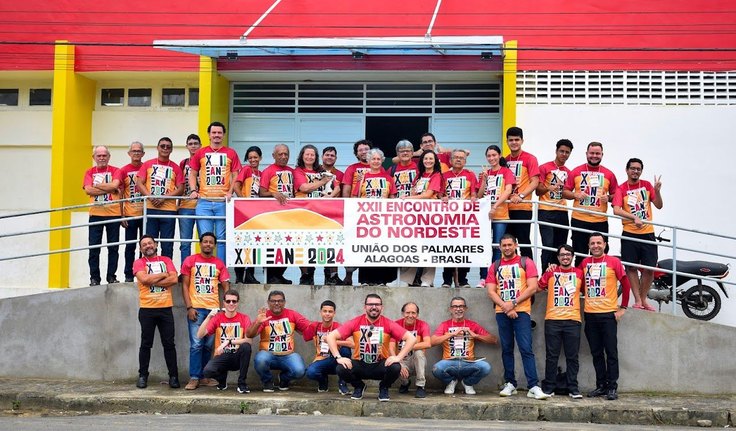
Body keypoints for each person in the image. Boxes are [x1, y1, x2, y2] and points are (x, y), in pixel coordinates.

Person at [486, 234, 549, 399]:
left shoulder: (526, 262)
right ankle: (510, 383)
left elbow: (532, 287)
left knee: (526, 348)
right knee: (507, 349)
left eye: (509, 245)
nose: (506, 248)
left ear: (516, 245)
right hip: (502, 312)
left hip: (522, 312)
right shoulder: (495, 265)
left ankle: (533, 386)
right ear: (499, 247)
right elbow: (491, 291)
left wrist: (512, 303)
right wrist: (506, 307)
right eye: (504, 245)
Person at [325, 293, 416, 402]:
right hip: (360, 363)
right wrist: (338, 357)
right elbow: (330, 337)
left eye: (377, 304)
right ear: (365, 307)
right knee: (340, 368)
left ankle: (384, 387)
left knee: (396, 367)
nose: (374, 307)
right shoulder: (356, 322)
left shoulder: (388, 323)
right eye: (370, 304)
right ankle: (359, 386)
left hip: (380, 364)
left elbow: (411, 338)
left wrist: (398, 357)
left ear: (382, 307)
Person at [580, 232, 631, 400]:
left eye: (599, 243)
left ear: (604, 244)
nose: (595, 246)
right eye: (592, 243)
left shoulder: (613, 261)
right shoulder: (585, 263)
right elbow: (577, 281)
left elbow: (625, 283)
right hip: (590, 314)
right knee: (596, 353)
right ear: (588, 246)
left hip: (608, 314)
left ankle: (612, 387)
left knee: (611, 352)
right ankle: (600, 385)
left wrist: (623, 307)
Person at [180, 232, 230, 390]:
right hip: (196, 309)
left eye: (211, 242)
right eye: (205, 242)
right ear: (200, 243)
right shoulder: (190, 260)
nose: (208, 244)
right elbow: (184, 285)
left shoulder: (219, 263)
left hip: (214, 311)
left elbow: (226, 285)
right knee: (196, 344)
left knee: (208, 346)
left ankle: (203, 377)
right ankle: (194, 377)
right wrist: (189, 307)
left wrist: (224, 307)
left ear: (214, 246)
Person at [613, 158, 664, 311]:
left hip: (648, 233)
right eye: (633, 168)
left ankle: (643, 299)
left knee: (650, 269)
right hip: (629, 233)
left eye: (638, 169)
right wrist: (634, 217)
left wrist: (658, 191)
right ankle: (637, 300)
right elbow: (616, 209)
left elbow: (659, 206)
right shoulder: (621, 188)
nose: (635, 171)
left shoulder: (647, 185)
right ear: (627, 170)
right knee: (631, 268)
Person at [387, 149, 442, 288]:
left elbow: (428, 195)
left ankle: (427, 280)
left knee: (429, 248)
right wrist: (411, 195)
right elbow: (414, 191)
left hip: (430, 216)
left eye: (431, 158)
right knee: (412, 246)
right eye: (425, 159)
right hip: (416, 217)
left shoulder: (436, 175)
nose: (428, 161)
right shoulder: (419, 176)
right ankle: (405, 279)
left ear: (435, 161)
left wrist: (407, 197)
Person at [536, 244, 584, 398]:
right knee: (551, 356)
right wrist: (546, 272)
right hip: (553, 320)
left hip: (573, 320)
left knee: (572, 356)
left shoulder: (579, 273)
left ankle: (573, 388)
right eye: (562, 254)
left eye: (568, 254)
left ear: (572, 256)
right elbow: (537, 287)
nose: (565, 257)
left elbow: (586, 291)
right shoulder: (551, 273)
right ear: (558, 257)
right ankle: (549, 387)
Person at [188, 121, 241, 260]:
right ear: (209, 135)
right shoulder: (200, 152)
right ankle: (207, 268)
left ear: (223, 135)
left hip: (223, 202)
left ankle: (221, 270)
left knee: (222, 238)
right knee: (205, 238)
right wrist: (194, 190)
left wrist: (231, 191)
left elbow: (236, 174)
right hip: (204, 202)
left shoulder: (231, 153)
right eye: (214, 133)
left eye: (219, 133)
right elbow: (192, 173)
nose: (216, 135)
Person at [132, 235, 179, 389]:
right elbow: (144, 280)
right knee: (146, 344)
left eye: (150, 243)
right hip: (147, 309)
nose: (147, 246)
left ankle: (173, 376)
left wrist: (154, 279)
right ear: (140, 248)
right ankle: (143, 376)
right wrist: (164, 275)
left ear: (156, 244)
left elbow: (174, 280)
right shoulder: (138, 262)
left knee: (169, 344)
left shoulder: (166, 260)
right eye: (144, 245)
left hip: (165, 308)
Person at [563, 142, 618, 266]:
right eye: (592, 153)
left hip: (600, 221)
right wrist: (575, 195)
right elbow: (564, 192)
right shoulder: (576, 171)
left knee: (601, 255)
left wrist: (608, 197)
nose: (594, 156)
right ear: (586, 154)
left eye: (597, 153)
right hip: (579, 220)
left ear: (602, 155)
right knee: (580, 255)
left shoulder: (609, 174)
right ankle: (581, 285)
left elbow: (617, 196)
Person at [245, 290, 310, 392]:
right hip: (268, 354)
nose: (276, 303)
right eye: (273, 301)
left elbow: (309, 327)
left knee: (299, 371)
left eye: (280, 301)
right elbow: (249, 334)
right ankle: (267, 381)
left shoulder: (292, 314)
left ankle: (284, 379)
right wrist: (258, 322)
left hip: (288, 355)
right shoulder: (264, 316)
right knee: (260, 360)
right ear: (268, 302)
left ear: (284, 302)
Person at [430, 296, 497, 395]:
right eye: (455, 306)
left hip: (468, 363)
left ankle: (468, 383)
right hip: (449, 362)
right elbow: (432, 342)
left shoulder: (472, 325)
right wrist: (451, 334)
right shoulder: (444, 325)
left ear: (465, 309)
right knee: (436, 369)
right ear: (451, 309)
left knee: (486, 367)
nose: (458, 309)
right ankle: (451, 381)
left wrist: (476, 335)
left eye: (461, 306)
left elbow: (493, 340)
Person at [294, 144, 340, 285]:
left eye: (312, 155)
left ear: (316, 157)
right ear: (302, 156)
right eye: (307, 154)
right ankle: (306, 275)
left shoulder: (322, 170)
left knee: (329, 243)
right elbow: (304, 188)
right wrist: (322, 182)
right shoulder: (298, 171)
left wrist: (331, 196)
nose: (309, 157)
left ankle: (331, 275)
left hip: (323, 213)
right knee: (303, 244)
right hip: (304, 213)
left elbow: (337, 186)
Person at [353, 148, 398, 286]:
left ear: (382, 161)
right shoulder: (362, 178)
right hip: (366, 220)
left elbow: (392, 197)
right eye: (373, 159)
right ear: (368, 160)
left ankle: (382, 280)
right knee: (367, 248)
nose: (376, 161)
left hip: (384, 220)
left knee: (382, 248)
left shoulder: (388, 178)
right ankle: (366, 280)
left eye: (379, 159)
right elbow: (354, 197)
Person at [135, 137, 185, 259]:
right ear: (157, 148)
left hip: (168, 211)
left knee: (167, 244)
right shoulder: (147, 164)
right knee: (148, 244)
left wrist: (164, 198)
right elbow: (139, 183)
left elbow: (180, 188)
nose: (165, 148)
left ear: (171, 149)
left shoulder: (175, 167)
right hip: (150, 209)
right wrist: (150, 196)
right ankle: (149, 271)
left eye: (168, 146)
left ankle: (167, 272)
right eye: (162, 146)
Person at [197, 289, 253, 394]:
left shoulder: (244, 318)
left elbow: (249, 341)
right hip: (222, 356)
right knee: (207, 371)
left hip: (237, 355)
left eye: (234, 301)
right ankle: (222, 379)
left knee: (246, 347)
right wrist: (209, 317)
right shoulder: (218, 318)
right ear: (224, 303)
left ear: (237, 303)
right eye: (228, 301)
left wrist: (228, 342)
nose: (231, 303)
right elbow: (200, 335)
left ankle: (242, 383)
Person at [476, 145, 515, 287]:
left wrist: (495, 206)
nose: (491, 158)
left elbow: (508, 191)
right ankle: (483, 278)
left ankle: (495, 277)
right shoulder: (485, 173)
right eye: (489, 156)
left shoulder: (506, 172)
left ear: (499, 156)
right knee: (484, 246)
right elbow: (480, 196)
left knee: (498, 247)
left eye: (494, 155)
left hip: (500, 215)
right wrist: (484, 181)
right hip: (485, 217)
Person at [83, 145, 121, 286]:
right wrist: (108, 186)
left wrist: (96, 186)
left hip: (113, 214)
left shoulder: (116, 170)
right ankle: (94, 278)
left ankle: (111, 276)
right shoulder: (89, 172)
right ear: (94, 157)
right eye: (99, 155)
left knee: (113, 248)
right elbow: (88, 190)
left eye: (104, 155)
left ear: (109, 157)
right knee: (94, 248)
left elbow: (115, 186)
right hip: (95, 215)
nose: (102, 158)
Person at [440, 149, 478, 288]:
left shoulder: (470, 175)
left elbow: (474, 193)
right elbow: (439, 194)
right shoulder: (444, 175)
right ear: (450, 160)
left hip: (465, 218)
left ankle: (463, 279)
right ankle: (447, 280)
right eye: (455, 157)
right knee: (448, 249)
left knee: (464, 249)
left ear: (465, 161)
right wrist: (442, 197)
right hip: (448, 219)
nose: (458, 160)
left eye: (461, 158)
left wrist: (474, 197)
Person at [259, 144, 295, 284]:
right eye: (280, 154)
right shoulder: (268, 170)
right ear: (273, 155)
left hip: (290, 215)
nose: (283, 157)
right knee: (274, 245)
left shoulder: (292, 171)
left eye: (286, 154)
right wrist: (273, 193)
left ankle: (279, 275)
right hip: (273, 215)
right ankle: (272, 275)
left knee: (288, 246)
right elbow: (261, 192)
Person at [341, 139, 375, 285]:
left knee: (370, 246)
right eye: (360, 150)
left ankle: (367, 279)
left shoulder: (378, 167)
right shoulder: (352, 168)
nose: (364, 152)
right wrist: (347, 208)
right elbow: (347, 189)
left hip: (374, 214)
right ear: (356, 153)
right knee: (353, 245)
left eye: (366, 149)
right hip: (355, 212)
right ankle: (348, 274)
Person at [536, 139, 573, 271]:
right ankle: (545, 275)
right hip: (545, 210)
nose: (564, 154)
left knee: (561, 245)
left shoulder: (569, 171)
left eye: (567, 152)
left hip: (562, 211)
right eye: (561, 151)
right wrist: (548, 188)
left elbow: (569, 192)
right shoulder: (545, 167)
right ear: (556, 151)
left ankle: (558, 273)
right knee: (548, 244)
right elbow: (537, 190)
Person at [504, 127, 540, 260]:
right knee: (507, 244)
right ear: (507, 141)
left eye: (517, 140)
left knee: (524, 242)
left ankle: (529, 272)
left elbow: (535, 182)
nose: (514, 142)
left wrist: (521, 196)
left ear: (522, 141)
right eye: (511, 140)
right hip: (506, 209)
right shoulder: (504, 160)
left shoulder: (530, 158)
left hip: (522, 207)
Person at [303, 300, 353, 394]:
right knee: (310, 372)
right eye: (325, 311)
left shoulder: (338, 327)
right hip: (322, 359)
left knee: (346, 350)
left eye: (330, 312)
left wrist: (333, 341)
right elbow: (303, 334)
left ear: (334, 313)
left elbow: (352, 344)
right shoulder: (315, 326)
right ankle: (323, 382)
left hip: (337, 359)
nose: (327, 314)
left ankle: (342, 383)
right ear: (320, 312)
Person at [115, 141, 145, 282]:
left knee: (145, 246)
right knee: (130, 246)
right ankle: (128, 274)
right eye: (134, 151)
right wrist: (122, 215)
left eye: (139, 151)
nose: (136, 153)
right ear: (129, 154)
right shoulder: (123, 170)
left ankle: (143, 273)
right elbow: (120, 194)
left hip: (146, 214)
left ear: (143, 153)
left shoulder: (147, 168)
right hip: (130, 214)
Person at [233, 145, 263, 284]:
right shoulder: (245, 170)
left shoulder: (261, 174)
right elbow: (236, 186)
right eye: (250, 157)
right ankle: (239, 277)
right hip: (243, 211)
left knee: (253, 243)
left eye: (255, 157)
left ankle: (250, 274)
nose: (253, 160)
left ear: (260, 158)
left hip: (255, 212)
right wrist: (243, 200)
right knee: (241, 243)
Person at [391, 302, 431, 398]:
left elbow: (427, 343)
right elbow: (391, 347)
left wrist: (409, 346)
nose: (410, 315)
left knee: (419, 352)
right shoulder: (396, 325)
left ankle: (421, 386)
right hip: (402, 359)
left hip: (416, 360)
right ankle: (405, 383)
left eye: (413, 313)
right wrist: (398, 361)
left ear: (417, 314)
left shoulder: (423, 325)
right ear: (403, 313)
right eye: (407, 312)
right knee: (393, 363)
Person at [321, 146, 345, 285]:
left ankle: (333, 275)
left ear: (336, 158)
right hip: (316, 212)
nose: (329, 157)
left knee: (334, 245)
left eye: (332, 155)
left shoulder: (339, 174)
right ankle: (307, 275)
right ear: (322, 157)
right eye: (327, 155)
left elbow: (340, 190)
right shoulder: (316, 171)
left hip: (334, 214)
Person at [178, 134, 202, 262]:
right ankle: (185, 270)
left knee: (205, 240)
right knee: (185, 242)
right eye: (190, 143)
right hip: (185, 206)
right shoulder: (183, 163)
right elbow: (179, 184)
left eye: (196, 143)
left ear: (200, 145)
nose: (193, 146)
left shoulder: (204, 162)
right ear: (186, 146)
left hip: (202, 205)